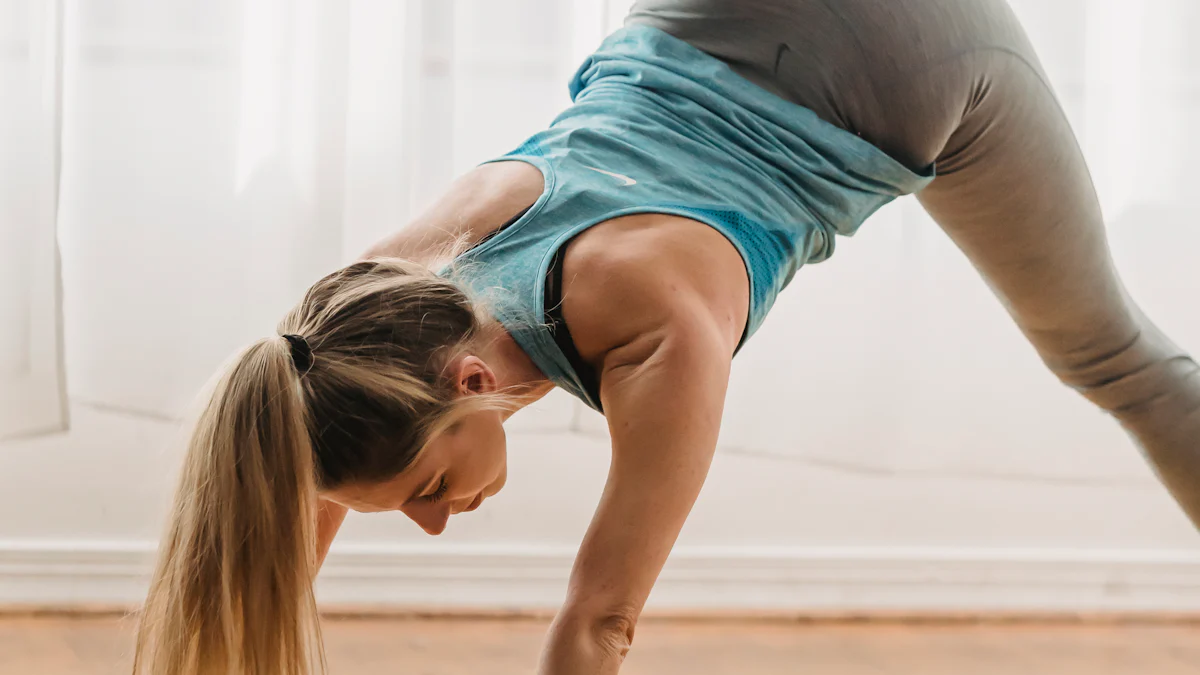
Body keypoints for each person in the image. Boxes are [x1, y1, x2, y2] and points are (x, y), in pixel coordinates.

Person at [132, 1, 1200, 674]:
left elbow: (599, 625)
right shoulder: (371, 307)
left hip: (902, 45)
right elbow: (304, 462)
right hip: (693, 21)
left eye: (423, 495)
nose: (435, 528)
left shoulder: (655, 335)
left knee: (1110, 358)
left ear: (467, 381)